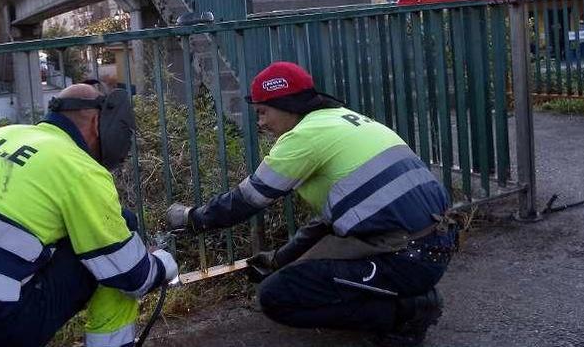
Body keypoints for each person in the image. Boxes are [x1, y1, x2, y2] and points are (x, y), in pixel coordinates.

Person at [167, 62, 455, 346]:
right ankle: (402, 298)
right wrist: (280, 258)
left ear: (288, 104)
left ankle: (408, 310)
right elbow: (328, 223)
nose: (261, 122)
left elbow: (247, 200)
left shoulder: (302, 136)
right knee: (297, 274)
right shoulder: (344, 118)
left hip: (407, 259)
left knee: (276, 296)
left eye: (263, 112)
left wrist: (193, 217)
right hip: (436, 243)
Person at [0, 81, 178, 347]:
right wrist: (163, 264)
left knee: (91, 241)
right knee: (113, 250)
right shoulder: (79, 166)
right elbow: (131, 276)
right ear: (98, 123)